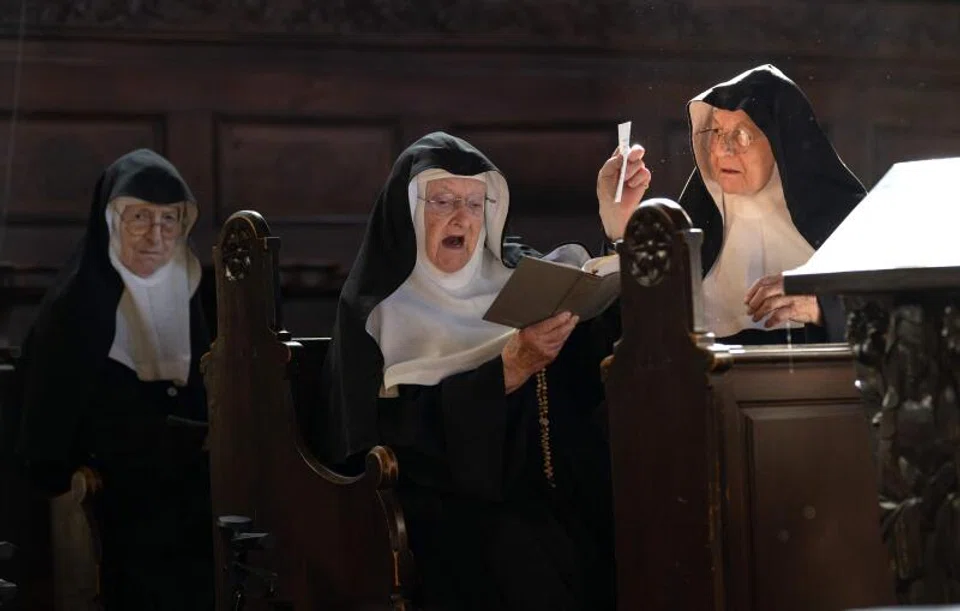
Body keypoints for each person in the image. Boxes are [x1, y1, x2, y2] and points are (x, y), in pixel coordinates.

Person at [318, 132, 623, 610]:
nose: (462, 217)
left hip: (541, 488)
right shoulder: (378, 313)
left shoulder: (517, 280)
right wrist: (507, 368)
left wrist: (618, 228)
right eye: (442, 201)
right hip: (442, 506)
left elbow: (593, 358)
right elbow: (378, 445)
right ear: (410, 212)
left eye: (475, 203)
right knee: (518, 557)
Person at [13, 148, 215, 610]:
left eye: (170, 220)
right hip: (113, 498)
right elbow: (45, 438)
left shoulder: (192, 290)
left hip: (190, 491)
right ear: (109, 221)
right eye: (139, 218)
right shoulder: (74, 306)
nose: (156, 236)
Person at [598, 64, 866, 344]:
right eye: (715, 132)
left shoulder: (851, 227)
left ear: (781, 143)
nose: (721, 150)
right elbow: (621, 338)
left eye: (741, 134)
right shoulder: (692, 228)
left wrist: (826, 308)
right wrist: (621, 230)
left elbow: (900, 320)